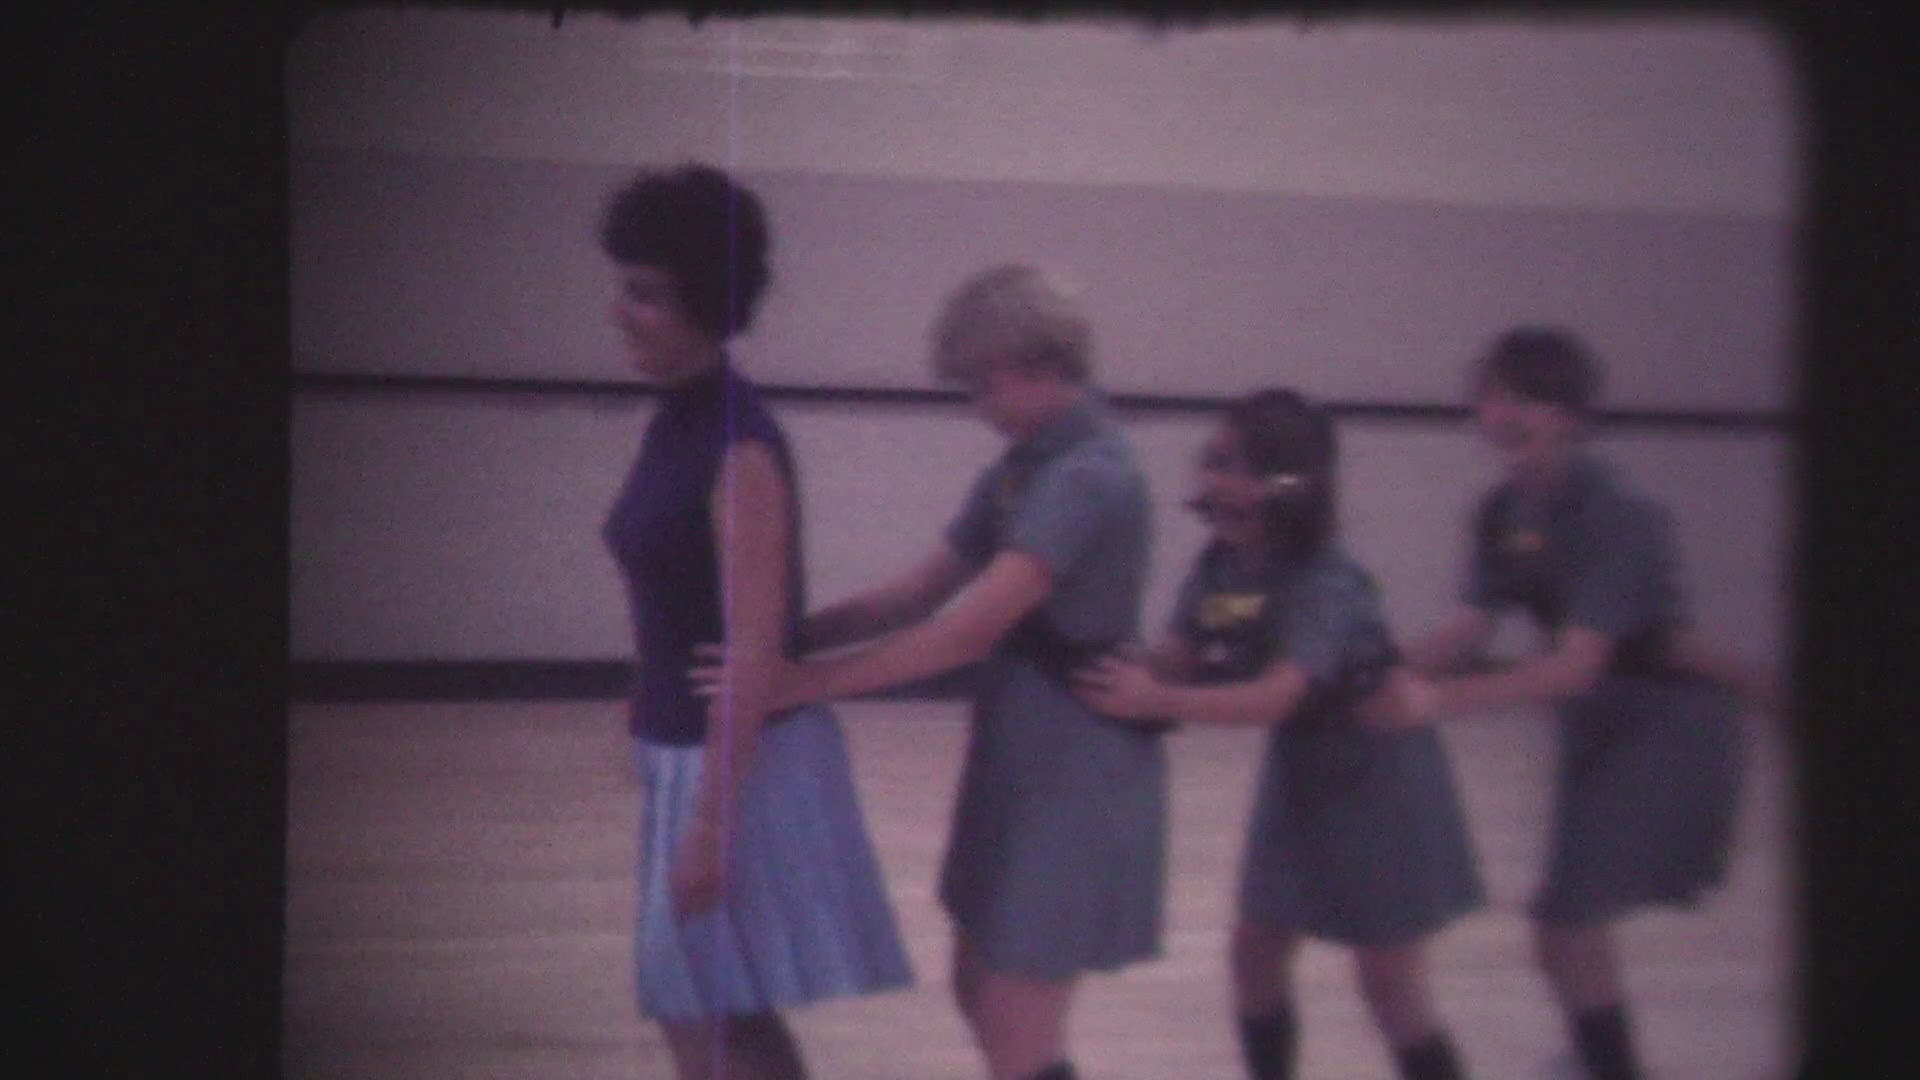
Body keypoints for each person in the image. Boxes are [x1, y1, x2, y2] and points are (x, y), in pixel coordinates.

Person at [695, 263, 1161, 1080]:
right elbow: (918, 592)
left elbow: (966, 632)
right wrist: (779, 640)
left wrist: (799, 685)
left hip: (1076, 776)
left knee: (1018, 1021)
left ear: (1043, 366)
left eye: (984, 386)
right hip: (1018, 759)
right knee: (979, 989)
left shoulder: (1091, 475)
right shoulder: (1023, 465)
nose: (977, 407)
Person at [598, 163, 911, 1080]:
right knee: (712, 1006)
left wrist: (708, 830)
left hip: (741, 768)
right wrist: (638, 712)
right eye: (622, 286)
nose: (620, 310)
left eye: (643, 292)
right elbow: (665, 595)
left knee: (698, 1006)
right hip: (685, 753)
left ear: (702, 297)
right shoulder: (680, 420)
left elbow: (754, 653)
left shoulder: (738, 444)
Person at [1071, 388, 1483, 1080]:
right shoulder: (1219, 565)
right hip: (1302, 778)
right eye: (1217, 461)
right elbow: (1173, 659)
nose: (1221, 481)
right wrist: (1084, 668)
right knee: (1253, 953)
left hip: (1381, 789)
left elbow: (1275, 696)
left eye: (1244, 468)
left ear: (1293, 485)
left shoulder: (1328, 580)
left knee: (1390, 985)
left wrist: (1156, 699)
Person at [1392, 327, 1750, 1080]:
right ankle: (1601, 1060)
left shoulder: (1622, 514)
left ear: (1568, 414)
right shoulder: (1502, 508)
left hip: (1666, 729)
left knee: (1566, 927)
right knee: (1565, 930)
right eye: (1489, 395)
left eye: (1522, 398)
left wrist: (1434, 702)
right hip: (1595, 727)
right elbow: (1469, 626)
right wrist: (1369, 672)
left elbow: (1572, 668)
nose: (1500, 413)